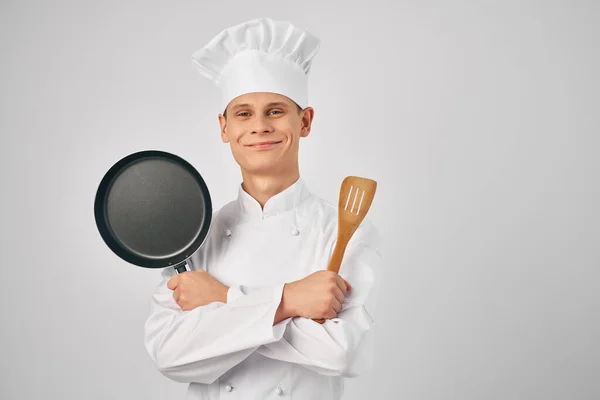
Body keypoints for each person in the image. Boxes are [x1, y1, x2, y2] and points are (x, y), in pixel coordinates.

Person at [143, 17, 383, 400]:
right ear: (224, 128)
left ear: (304, 121)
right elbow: (170, 353)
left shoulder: (343, 229)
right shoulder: (194, 236)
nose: (259, 126)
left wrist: (223, 301)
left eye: (275, 111)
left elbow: (344, 353)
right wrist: (289, 301)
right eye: (243, 113)